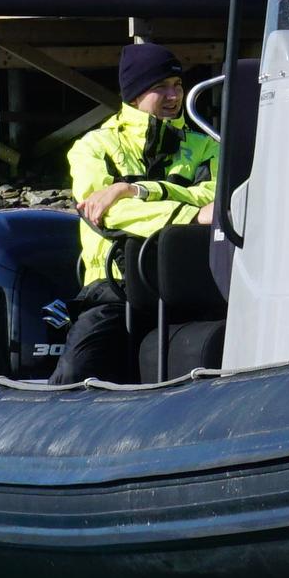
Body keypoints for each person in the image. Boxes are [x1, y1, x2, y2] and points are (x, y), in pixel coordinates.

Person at [61, 41, 221, 382]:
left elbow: (216, 196)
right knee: (77, 371)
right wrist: (189, 216)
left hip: (192, 288)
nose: (173, 96)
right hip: (114, 288)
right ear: (134, 96)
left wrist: (137, 189)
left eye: (177, 86)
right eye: (160, 87)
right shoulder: (94, 147)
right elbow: (105, 213)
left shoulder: (206, 145)